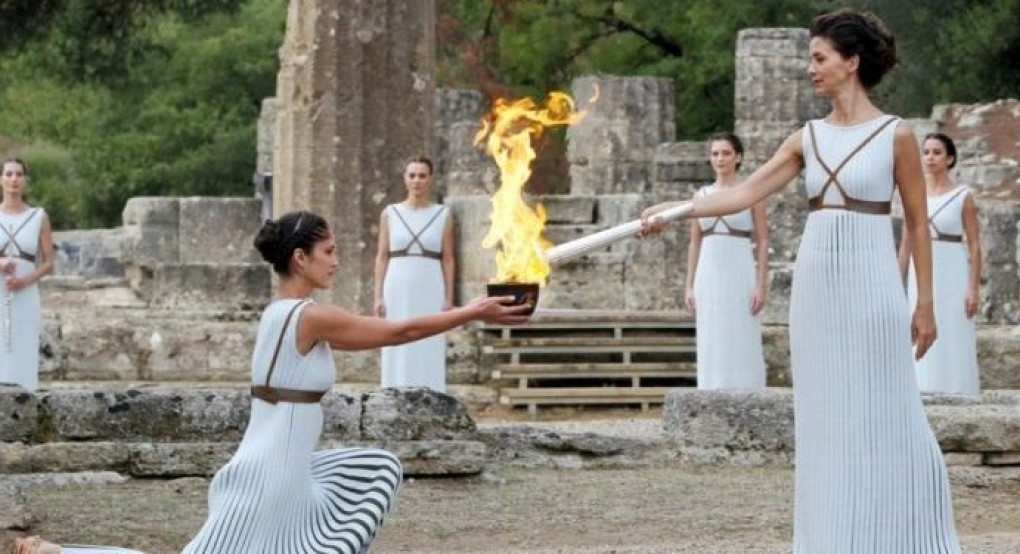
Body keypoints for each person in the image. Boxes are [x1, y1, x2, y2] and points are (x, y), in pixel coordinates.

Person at [16, 210, 530, 554]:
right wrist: (473, 310)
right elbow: (402, 329)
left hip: (275, 467)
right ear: (300, 259)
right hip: (271, 476)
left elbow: (390, 335)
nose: (336, 258)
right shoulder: (308, 317)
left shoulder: (279, 315)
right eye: (328, 251)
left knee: (377, 466)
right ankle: (57, 553)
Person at [641, 8, 960, 552]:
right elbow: (741, 194)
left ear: (851, 62)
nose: (809, 68)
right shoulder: (806, 137)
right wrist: (673, 211)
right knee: (825, 416)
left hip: (874, 282)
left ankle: (904, 534)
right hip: (818, 286)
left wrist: (924, 302)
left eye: (819, 58)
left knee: (891, 407)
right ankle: (834, 537)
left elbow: (915, 224)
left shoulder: (897, 135)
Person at [898, 133, 981, 394]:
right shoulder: (914, 194)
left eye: (937, 152)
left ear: (950, 159)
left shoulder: (963, 196)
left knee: (953, 330)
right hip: (920, 271)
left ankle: (958, 390)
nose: (930, 157)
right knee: (918, 326)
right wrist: (894, 282)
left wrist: (973, 288)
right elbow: (906, 242)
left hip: (952, 269)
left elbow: (975, 244)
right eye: (926, 152)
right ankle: (921, 390)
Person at [685, 133, 767, 389]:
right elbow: (694, 241)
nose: (720, 159)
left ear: (738, 157)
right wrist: (689, 285)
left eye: (726, 153)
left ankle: (747, 392)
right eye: (715, 153)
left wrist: (761, 285)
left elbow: (763, 240)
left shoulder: (751, 193)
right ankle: (711, 389)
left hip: (740, 268)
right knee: (712, 334)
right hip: (708, 272)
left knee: (741, 331)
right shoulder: (701, 195)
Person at [374, 156, 455, 392]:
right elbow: (381, 256)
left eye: (422, 175)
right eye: (412, 175)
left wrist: (449, 298)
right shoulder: (390, 213)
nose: (416, 181)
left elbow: (448, 258)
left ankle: (432, 393)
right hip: (397, 282)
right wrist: (378, 296)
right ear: (405, 179)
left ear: (430, 179)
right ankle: (393, 392)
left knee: (428, 340)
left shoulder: (443, 214)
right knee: (396, 336)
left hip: (430, 282)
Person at [0, 157, 54, 392]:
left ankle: (25, 397)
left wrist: (24, 281)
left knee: (23, 344)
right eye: (9, 174)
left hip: (26, 292)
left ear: (25, 180)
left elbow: (48, 262)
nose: (14, 179)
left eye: (19, 174)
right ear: (1, 179)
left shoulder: (38, 216)